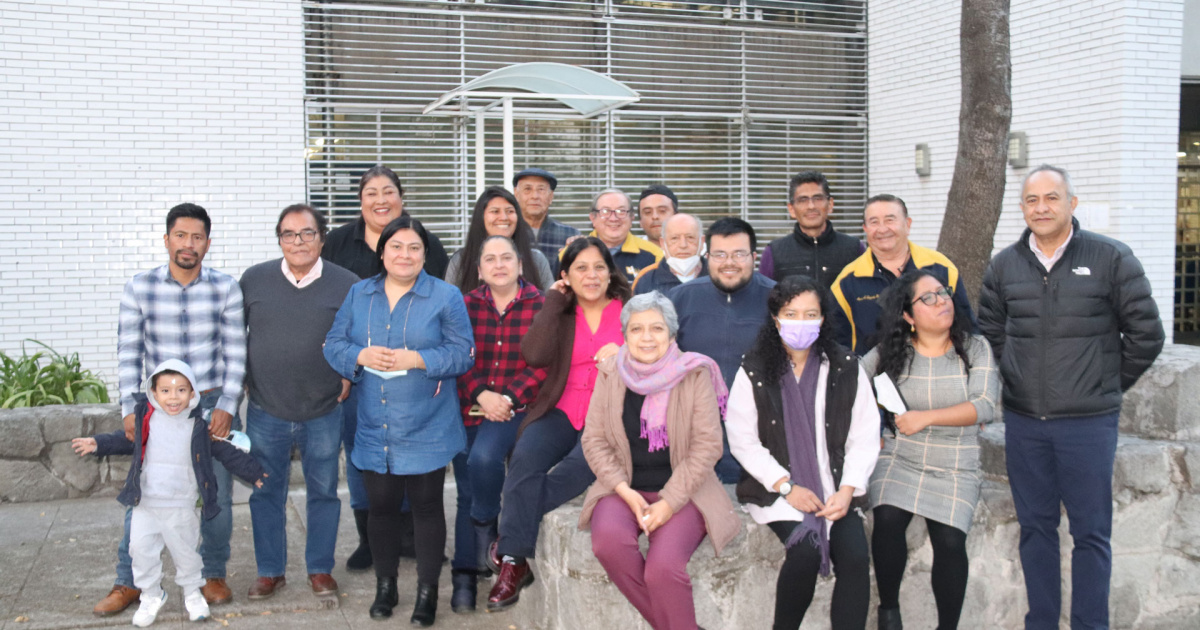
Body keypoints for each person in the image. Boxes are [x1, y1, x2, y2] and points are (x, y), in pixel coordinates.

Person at [977, 164, 1164, 629]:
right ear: (1022, 208)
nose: (1041, 208)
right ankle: (1040, 622)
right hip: (1024, 423)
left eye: (1051, 198)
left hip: (1088, 424)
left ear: (1071, 203)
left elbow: (1147, 334)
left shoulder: (1111, 257)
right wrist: (1019, 378)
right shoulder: (1004, 265)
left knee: (1091, 535)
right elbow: (992, 334)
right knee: (1036, 530)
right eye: (1031, 200)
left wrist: (1105, 384)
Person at [323, 215, 474, 626]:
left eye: (414, 248)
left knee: (426, 506)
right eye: (396, 247)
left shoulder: (445, 296)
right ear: (382, 251)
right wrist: (359, 356)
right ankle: (385, 587)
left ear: (425, 254)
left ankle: (427, 594)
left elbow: (464, 354)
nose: (404, 255)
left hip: (427, 420)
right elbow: (333, 344)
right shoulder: (360, 294)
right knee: (382, 507)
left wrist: (419, 359)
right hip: (376, 420)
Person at [98, 202, 247, 617]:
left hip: (212, 403)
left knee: (214, 489)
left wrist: (229, 406)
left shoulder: (225, 287)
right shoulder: (139, 287)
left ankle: (212, 573)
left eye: (197, 237)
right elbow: (129, 352)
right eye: (180, 236)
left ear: (208, 244)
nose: (188, 244)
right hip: (155, 408)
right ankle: (129, 582)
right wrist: (131, 407)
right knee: (144, 493)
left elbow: (237, 352)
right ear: (167, 240)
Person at [486, 236, 632, 611]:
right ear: (566, 275)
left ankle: (507, 548)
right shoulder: (561, 312)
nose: (592, 275)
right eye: (581, 268)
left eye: (599, 266)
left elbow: (660, 350)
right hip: (561, 409)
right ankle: (516, 564)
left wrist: (626, 353)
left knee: (578, 470)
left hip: (609, 415)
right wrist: (553, 300)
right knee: (524, 459)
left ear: (609, 271)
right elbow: (533, 354)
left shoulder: (630, 308)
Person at [579, 292, 741, 630]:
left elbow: (708, 446)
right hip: (623, 488)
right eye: (637, 329)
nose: (647, 337)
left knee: (662, 570)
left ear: (672, 334)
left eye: (657, 328)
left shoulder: (694, 374)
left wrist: (668, 503)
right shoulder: (610, 373)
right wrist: (624, 490)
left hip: (685, 491)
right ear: (625, 335)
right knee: (609, 544)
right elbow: (593, 440)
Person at [726, 276, 880, 630]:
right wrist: (786, 486)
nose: (801, 322)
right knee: (805, 553)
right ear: (775, 318)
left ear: (823, 318)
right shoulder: (755, 370)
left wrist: (847, 491)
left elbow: (865, 434)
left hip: (836, 486)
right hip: (777, 488)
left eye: (810, 313)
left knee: (856, 557)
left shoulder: (845, 366)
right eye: (791, 313)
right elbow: (743, 440)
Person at [72, 360, 267, 627]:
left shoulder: (198, 425)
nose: (173, 397)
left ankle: (192, 593)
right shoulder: (146, 420)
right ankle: (152, 594)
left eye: (180, 390)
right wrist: (97, 443)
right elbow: (123, 440)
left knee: (185, 552)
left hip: (181, 505)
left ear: (193, 393)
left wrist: (253, 472)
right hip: (146, 504)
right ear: (153, 392)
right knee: (140, 550)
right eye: (165, 391)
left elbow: (225, 451)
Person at [861, 271, 999, 630]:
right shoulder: (889, 354)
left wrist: (924, 418)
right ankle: (889, 611)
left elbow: (985, 405)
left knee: (951, 541)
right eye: (929, 298)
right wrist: (871, 429)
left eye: (944, 293)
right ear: (908, 315)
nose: (942, 302)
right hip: (901, 454)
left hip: (957, 461)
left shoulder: (975, 348)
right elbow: (854, 390)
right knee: (887, 519)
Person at [322, 165, 443, 571]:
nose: (380, 200)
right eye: (371, 192)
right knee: (363, 453)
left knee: (412, 455)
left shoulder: (426, 241)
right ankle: (368, 539)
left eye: (388, 191)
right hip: (359, 373)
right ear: (360, 201)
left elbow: (443, 302)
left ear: (401, 198)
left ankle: (410, 535)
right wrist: (346, 362)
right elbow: (330, 314)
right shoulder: (337, 242)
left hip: (415, 375)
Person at [238, 204, 359, 602]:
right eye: (289, 234)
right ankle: (270, 571)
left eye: (307, 233)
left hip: (323, 409)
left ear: (322, 238)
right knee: (264, 492)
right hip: (265, 409)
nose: (298, 241)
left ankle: (320, 569)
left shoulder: (347, 284)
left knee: (323, 491)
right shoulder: (254, 280)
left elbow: (362, 340)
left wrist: (349, 373)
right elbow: (236, 338)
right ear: (279, 240)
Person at [450, 235, 548, 613]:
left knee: (484, 460)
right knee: (465, 487)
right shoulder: (465, 305)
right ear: (479, 270)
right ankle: (466, 579)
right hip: (468, 406)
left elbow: (544, 363)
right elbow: (458, 356)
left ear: (521, 264)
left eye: (506, 257)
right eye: (489, 259)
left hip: (516, 408)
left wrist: (505, 398)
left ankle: (488, 527)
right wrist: (480, 394)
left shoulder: (541, 305)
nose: (499, 264)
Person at [669, 217, 775, 483]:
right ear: (707, 256)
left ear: (754, 256)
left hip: (764, 436)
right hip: (695, 437)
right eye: (720, 254)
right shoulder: (680, 298)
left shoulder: (778, 299)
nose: (729, 263)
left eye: (739, 254)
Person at [830, 194, 975, 355]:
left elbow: (966, 328)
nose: (882, 229)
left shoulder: (941, 268)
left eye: (890, 220)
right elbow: (838, 343)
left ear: (907, 224)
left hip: (937, 373)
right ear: (865, 229)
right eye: (874, 222)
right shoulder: (847, 282)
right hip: (873, 375)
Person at [759, 171, 864, 287]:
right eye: (803, 200)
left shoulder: (855, 249)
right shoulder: (774, 253)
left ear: (830, 204)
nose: (811, 206)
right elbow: (764, 299)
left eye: (818, 198)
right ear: (791, 209)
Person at [445, 186, 553, 293]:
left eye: (510, 211)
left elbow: (551, 305)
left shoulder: (536, 260)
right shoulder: (461, 260)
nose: (504, 217)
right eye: (495, 211)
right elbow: (449, 305)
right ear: (481, 217)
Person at [577, 188, 663, 282]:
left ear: (631, 218)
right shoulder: (572, 253)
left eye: (621, 211)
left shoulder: (654, 255)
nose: (613, 218)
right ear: (593, 218)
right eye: (605, 211)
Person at [513, 167, 579, 272]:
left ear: (551, 197)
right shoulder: (508, 232)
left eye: (541, 189)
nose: (535, 196)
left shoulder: (569, 235)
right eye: (527, 189)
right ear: (516, 194)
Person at [632, 213, 708, 296]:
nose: (683, 245)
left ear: (702, 241)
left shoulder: (718, 275)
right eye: (674, 238)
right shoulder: (645, 279)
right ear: (663, 243)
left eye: (690, 237)